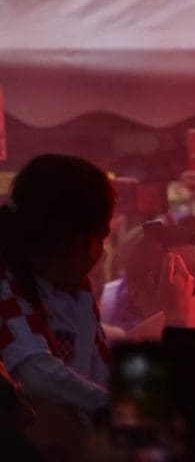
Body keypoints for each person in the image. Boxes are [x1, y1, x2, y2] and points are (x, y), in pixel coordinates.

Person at [0, 154, 114, 413]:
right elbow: (35, 374)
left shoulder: (78, 291)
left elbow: (98, 368)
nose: (100, 251)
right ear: (72, 239)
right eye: (99, 237)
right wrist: (115, 408)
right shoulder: (5, 284)